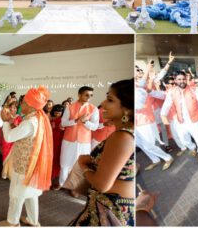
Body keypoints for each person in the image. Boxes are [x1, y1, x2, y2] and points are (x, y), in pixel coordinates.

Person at [70, 79, 135, 226]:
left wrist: (84, 164)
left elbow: (102, 184)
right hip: (112, 203)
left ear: (127, 109)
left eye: (110, 100)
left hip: (109, 207)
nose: (103, 103)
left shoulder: (122, 136)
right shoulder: (126, 133)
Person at [0, 86, 53, 227]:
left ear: (30, 105)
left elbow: (9, 137)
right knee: (31, 195)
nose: (20, 105)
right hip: (32, 165)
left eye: (22, 102)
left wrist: (4, 122)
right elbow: (19, 133)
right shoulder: (38, 118)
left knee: (16, 195)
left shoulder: (30, 122)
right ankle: (33, 221)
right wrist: (11, 122)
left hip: (25, 167)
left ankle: (12, 222)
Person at [161, 72, 198, 162]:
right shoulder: (171, 91)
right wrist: (163, 114)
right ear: (176, 80)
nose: (182, 81)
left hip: (194, 119)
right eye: (179, 79)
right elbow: (167, 104)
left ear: (186, 79)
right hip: (180, 120)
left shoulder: (194, 89)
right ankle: (192, 147)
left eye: (183, 79)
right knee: (183, 139)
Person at [59, 86, 100, 188]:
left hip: (84, 141)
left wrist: (85, 121)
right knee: (65, 162)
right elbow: (63, 123)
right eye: (86, 95)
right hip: (69, 139)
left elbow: (95, 127)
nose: (89, 97)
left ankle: (75, 187)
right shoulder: (70, 107)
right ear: (79, 95)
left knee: (80, 164)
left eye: (91, 95)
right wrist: (77, 120)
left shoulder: (93, 109)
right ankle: (62, 183)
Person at [135, 62, 173, 170]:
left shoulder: (144, 84)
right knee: (141, 144)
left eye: (139, 70)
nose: (138, 71)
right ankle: (155, 160)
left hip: (145, 120)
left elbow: (159, 76)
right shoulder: (133, 85)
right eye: (136, 70)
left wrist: (168, 64)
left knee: (149, 144)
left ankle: (167, 157)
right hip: (135, 122)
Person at [1, 101, 22, 180]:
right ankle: (4, 172)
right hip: (6, 138)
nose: (12, 109)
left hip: (14, 139)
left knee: (12, 157)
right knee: (5, 154)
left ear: (17, 109)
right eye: (11, 107)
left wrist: (12, 123)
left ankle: (10, 173)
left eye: (14, 108)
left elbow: (18, 129)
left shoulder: (18, 118)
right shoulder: (6, 116)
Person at [49, 104, 64, 189]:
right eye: (56, 111)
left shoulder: (63, 120)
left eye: (59, 111)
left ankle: (53, 177)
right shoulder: (51, 119)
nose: (57, 112)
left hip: (59, 142)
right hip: (51, 141)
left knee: (56, 158)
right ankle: (50, 178)